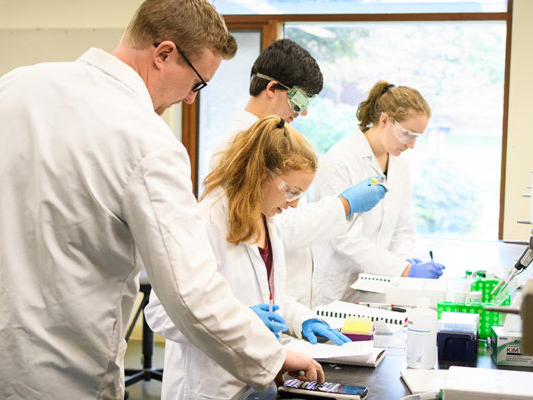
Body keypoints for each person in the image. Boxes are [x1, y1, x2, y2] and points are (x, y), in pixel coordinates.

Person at [0, 1, 323, 399]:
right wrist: (271, 357)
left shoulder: (15, 84)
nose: (192, 98)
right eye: (197, 83)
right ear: (163, 53)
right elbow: (189, 293)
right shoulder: (149, 143)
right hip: (52, 375)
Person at [145, 116, 348, 400]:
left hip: (253, 380)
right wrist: (243, 318)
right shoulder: (207, 220)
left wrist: (300, 319)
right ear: (261, 174)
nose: (294, 204)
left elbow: (266, 298)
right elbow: (161, 312)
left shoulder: (268, 219)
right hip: (209, 386)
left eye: (301, 194)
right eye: (291, 191)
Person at [215, 39, 388, 308]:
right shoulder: (236, 147)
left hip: (282, 299)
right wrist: (343, 205)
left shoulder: (277, 141)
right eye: (299, 100)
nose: (303, 112)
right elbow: (280, 228)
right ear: (272, 88)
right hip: (245, 308)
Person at [310, 80, 447, 307]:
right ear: (384, 120)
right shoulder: (340, 160)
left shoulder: (399, 165)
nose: (411, 145)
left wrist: (403, 263)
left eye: (417, 137)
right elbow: (342, 238)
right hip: (336, 290)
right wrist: (404, 269)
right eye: (408, 134)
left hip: (379, 289)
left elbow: (402, 229)